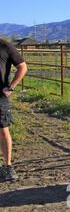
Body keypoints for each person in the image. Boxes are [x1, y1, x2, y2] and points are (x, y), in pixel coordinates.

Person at [0, 39, 27, 182]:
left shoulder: (5, 46)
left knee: (3, 130)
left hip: (0, 96)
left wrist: (11, 87)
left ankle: (7, 167)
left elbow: (22, 67)